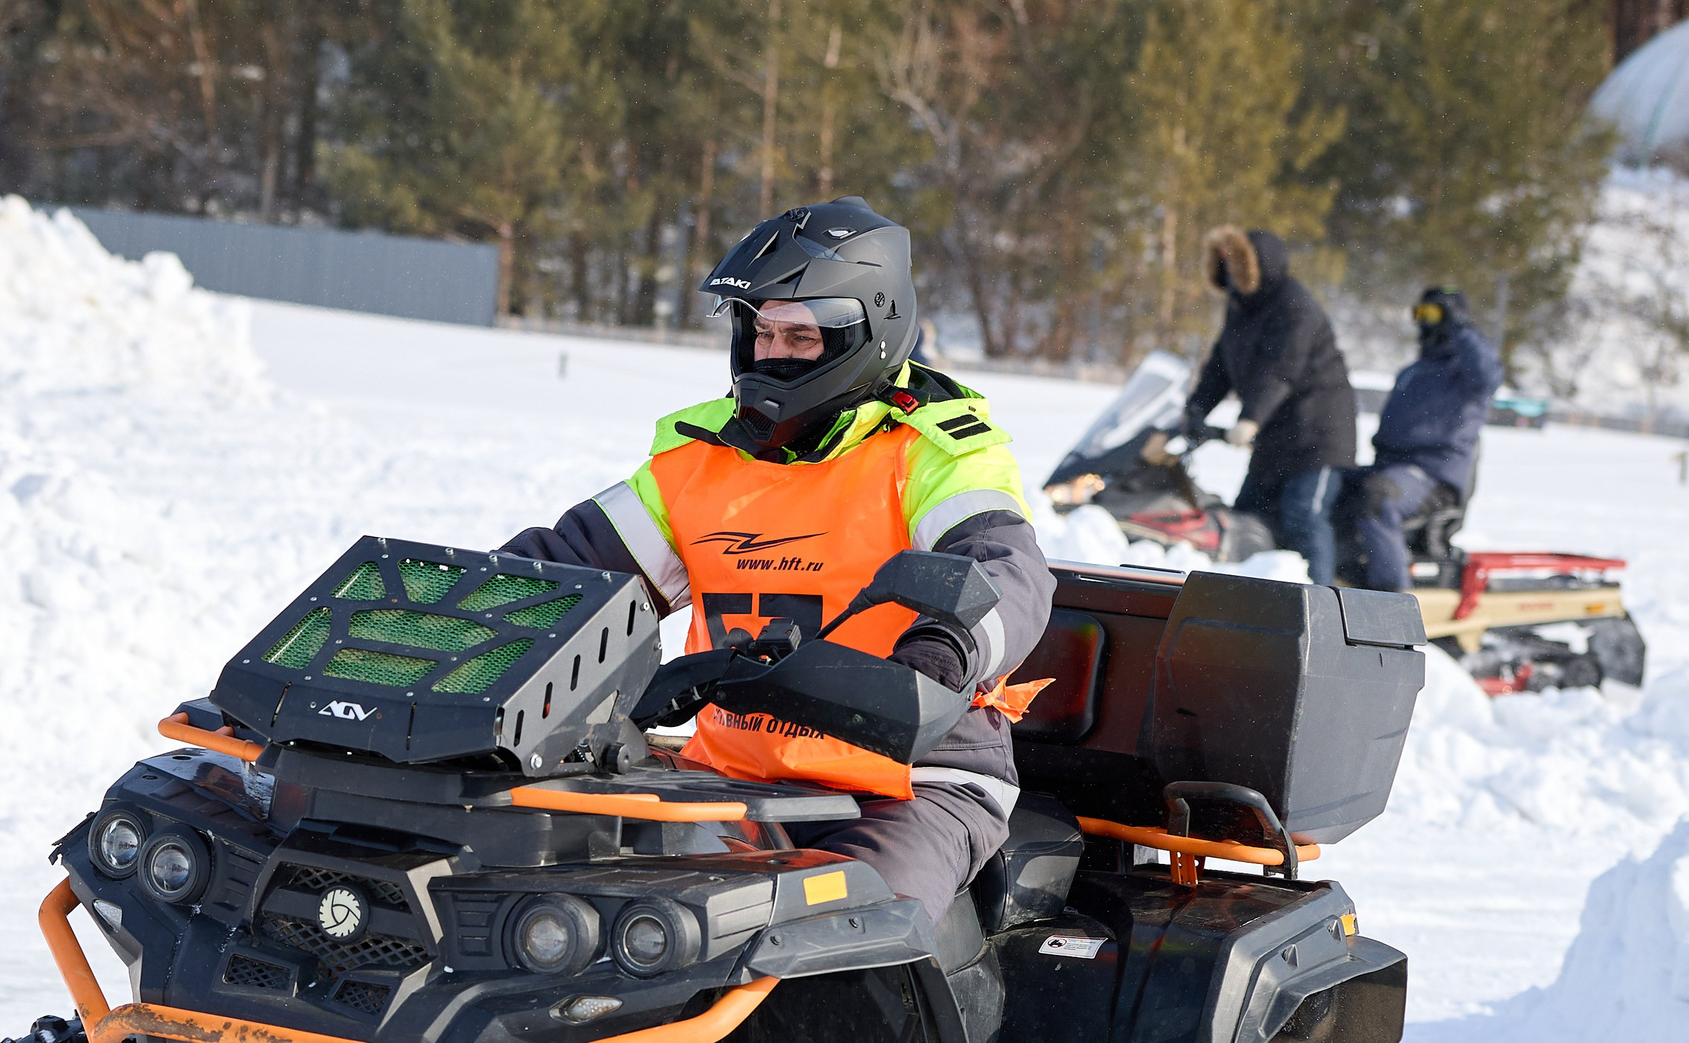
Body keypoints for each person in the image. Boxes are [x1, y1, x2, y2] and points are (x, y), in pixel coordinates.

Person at [500, 196, 1055, 921]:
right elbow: (569, 568)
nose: (772, 354)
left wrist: (940, 654)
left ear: (868, 332)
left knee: (839, 933)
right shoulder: (701, 458)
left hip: (907, 787)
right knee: (569, 904)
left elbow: (1005, 569)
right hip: (730, 779)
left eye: (799, 336)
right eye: (761, 331)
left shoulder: (936, 454)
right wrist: (453, 623)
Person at [1141, 226, 1355, 584]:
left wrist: (1250, 419)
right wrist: (1194, 411)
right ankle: (1254, 597)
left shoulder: (1295, 305)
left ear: (1257, 265)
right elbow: (1219, 367)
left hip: (1319, 438)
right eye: (1223, 263)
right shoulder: (1240, 308)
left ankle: (1324, 600)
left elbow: (1281, 369)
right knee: (1247, 518)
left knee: (1303, 516)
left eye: (1235, 263)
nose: (1228, 271)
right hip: (1274, 438)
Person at [1352, 286, 1503, 592]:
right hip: (1390, 468)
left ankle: (1392, 598)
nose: (1424, 323)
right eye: (1420, 313)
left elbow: (1489, 374)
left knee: (1378, 497)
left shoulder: (1465, 373)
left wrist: (1462, 328)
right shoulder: (1413, 371)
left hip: (1433, 478)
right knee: (1328, 482)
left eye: (1433, 314)